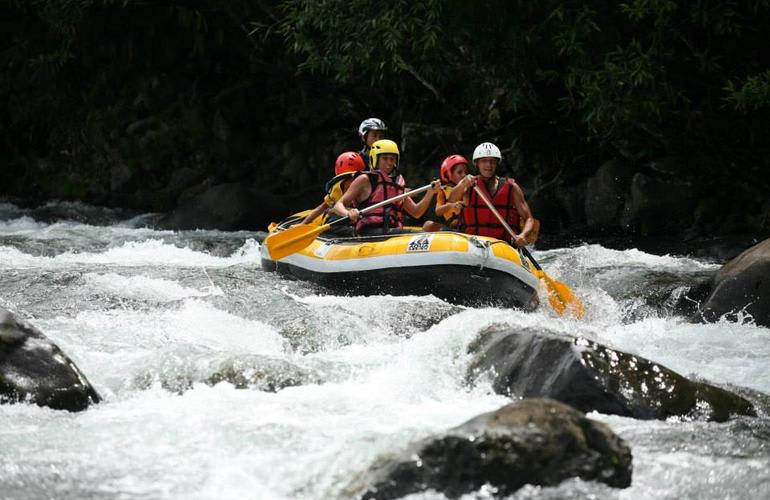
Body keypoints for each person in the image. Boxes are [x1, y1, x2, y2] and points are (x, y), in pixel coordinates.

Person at [332, 139, 439, 236]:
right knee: (424, 232)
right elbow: (338, 205)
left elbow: (416, 212)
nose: (389, 163)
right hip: (370, 232)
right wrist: (348, 213)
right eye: (385, 158)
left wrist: (430, 193)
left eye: (392, 159)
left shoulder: (397, 185)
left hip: (391, 231)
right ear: (375, 159)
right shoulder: (365, 179)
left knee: (430, 227)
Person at [448, 142, 535, 247]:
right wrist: (462, 184)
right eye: (484, 161)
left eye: (492, 161)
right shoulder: (468, 185)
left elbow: (529, 218)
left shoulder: (512, 187)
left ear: (497, 164)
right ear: (476, 163)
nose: (488, 165)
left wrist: (523, 235)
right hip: (473, 243)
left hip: (503, 245)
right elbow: (451, 199)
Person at [301, 152, 365, 236]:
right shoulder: (337, 189)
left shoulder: (365, 183)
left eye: (355, 179)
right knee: (332, 217)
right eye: (348, 180)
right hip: (341, 219)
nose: (351, 185)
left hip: (358, 216)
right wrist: (303, 224)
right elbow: (322, 207)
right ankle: (354, 233)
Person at [422, 154, 469, 232]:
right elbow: (438, 211)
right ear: (448, 175)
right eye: (460, 172)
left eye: (466, 172)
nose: (464, 175)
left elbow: (467, 204)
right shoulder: (443, 191)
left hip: (466, 227)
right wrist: (450, 205)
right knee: (428, 225)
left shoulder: (467, 189)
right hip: (452, 228)